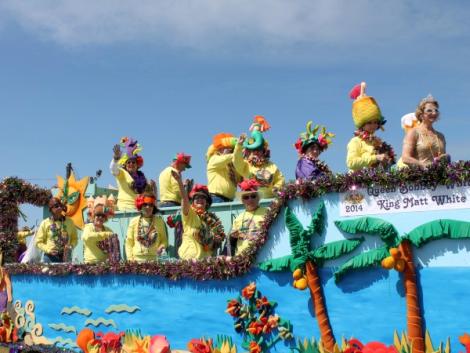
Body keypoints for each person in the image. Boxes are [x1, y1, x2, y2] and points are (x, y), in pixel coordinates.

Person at [172, 171, 225, 260]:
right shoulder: (190, 213)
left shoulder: (211, 219)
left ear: (207, 202)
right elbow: (184, 199)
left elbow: (217, 239)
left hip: (206, 260)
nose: (200, 199)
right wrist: (179, 182)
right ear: (192, 202)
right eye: (197, 198)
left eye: (203, 198)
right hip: (190, 259)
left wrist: (217, 240)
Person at [346, 82, 395, 171]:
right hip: (359, 183)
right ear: (362, 124)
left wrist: (386, 162)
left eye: (375, 122)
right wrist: (375, 158)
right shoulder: (356, 141)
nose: (373, 125)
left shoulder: (378, 142)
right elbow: (351, 162)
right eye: (369, 123)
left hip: (377, 183)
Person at [233, 116, 285, 198]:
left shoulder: (272, 165)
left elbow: (280, 179)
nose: (256, 152)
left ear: (263, 151)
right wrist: (239, 146)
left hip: (269, 201)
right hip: (251, 201)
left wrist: (276, 187)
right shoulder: (246, 165)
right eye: (253, 150)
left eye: (259, 149)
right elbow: (236, 161)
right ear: (250, 152)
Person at [399, 95, 448, 168]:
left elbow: (442, 158)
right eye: (429, 110)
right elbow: (405, 158)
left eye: (436, 110)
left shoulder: (441, 136)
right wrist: (423, 166)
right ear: (421, 114)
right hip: (419, 177)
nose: (434, 113)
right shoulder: (413, 133)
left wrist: (445, 158)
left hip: (438, 177)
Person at [125, 192, 168, 262]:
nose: (148, 207)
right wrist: (130, 259)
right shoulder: (133, 221)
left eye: (151, 205)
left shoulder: (159, 221)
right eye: (145, 204)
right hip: (136, 261)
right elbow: (129, 242)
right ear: (140, 205)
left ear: (153, 207)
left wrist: (161, 247)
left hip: (154, 260)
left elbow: (164, 240)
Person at [110, 137, 149, 211]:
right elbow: (113, 169)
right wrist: (115, 158)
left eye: (133, 162)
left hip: (138, 209)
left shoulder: (142, 177)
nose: (131, 164)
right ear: (125, 164)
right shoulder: (122, 173)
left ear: (137, 165)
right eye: (128, 162)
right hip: (124, 210)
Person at [230, 180, 268, 256]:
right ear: (242, 200)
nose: (250, 199)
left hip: (263, 255)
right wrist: (233, 236)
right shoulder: (238, 218)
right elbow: (232, 240)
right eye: (246, 197)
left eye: (253, 196)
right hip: (242, 258)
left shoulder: (267, 212)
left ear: (258, 198)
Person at [35, 197, 78, 263]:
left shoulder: (69, 222)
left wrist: (71, 246)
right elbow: (38, 242)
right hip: (50, 258)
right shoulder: (45, 223)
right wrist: (48, 249)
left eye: (60, 205)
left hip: (66, 257)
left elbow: (75, 239)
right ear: (51, 209)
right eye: (56, 206)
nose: (59, 208)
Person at [206, 133, 241, 203]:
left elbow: (240, 179)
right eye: (226, 147)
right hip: (216, 198)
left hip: (230, 200)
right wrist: (238, 154)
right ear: (219, 149)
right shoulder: (213, 159)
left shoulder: (232, 165)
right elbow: (224, 159)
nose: (229, 150)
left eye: (231, 148)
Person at [82, 197, 115, 264]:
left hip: (105, 264)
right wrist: (104, 235)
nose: (100, 217)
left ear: (105, 218)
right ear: (94, 216)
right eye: (98, 215)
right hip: (90, 264)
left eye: (103, 216)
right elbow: (86, 237)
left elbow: (113, 248)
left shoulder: (108, 230)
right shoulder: (89, 227)